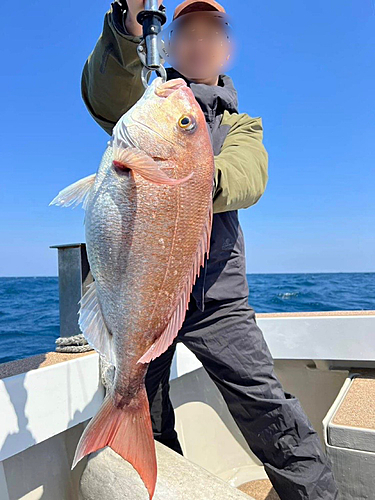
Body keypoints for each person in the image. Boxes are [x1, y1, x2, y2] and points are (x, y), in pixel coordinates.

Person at [81, 1, 339, 498]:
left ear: (228, 49)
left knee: (267, 407)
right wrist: (128, 23)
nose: (200, 41)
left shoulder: (241, 125)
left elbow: (248, 176)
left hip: (219, 301)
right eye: (187, 31)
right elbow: (105, 91)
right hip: (144, 298)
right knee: (146, 411)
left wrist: (186, 176)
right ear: (169, 43)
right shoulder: (148, 97)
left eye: (213, 31)